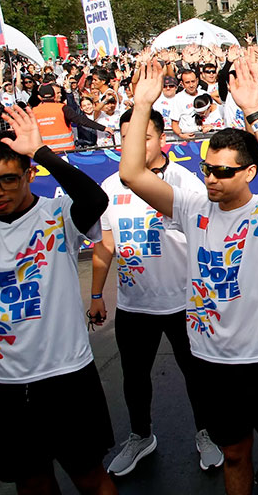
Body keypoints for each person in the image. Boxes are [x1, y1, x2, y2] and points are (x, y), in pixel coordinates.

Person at [119, 51, 258, 495]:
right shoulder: (189, 207)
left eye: (224, 171)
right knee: (235, 454)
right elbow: (130, 173)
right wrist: (144, 103)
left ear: (250, 172)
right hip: (211, 363)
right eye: (207, 169)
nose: (213, 179)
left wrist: (255, 112)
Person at [0, 109, 116, 495]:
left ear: (28, 175)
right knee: (31, 481)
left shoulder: (58, 214)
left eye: (7, 180)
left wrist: (41, 150)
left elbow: (94, 198)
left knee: (90, 477)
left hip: (64, 375)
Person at [89, 108, 222, 476]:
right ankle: (140, 436)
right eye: (126, 136)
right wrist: (97, 294)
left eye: (143, 137)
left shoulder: (186, 182)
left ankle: (206, 434)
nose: (132, 144)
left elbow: (211, 237)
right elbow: (106, 243)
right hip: (134, 306)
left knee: (197, 375)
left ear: (162, 140)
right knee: (134, 378)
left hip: (184, 303)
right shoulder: (110, 187)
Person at [32, 83, 112, 151]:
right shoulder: (62, 108)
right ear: (54, 95)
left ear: (39, 97)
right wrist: (103, 128)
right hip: (66, 151)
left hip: (46, 152)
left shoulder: (34, 111)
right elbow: (82, 120)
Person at [170, 69, 202, 140]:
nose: (191, 85)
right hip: (187, 139)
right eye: (187, 82)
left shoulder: (204, 94)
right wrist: (180, 135)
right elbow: (175, 123)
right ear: (182, 84)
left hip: (204, 138)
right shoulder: (178, 98)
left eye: (193, 81)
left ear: (197, 81)